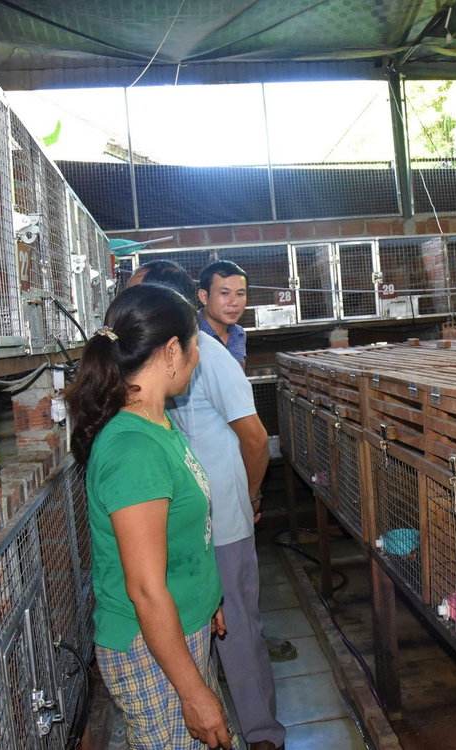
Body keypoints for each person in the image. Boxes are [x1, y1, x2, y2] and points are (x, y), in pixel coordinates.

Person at [65, 284, 241, 750]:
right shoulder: (134, 449)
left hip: (175, 632)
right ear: (171, 351)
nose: (198, 358)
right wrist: (194, 693)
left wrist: (205, 599)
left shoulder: (157, 422)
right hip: (149, 650)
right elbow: (144, 589)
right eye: (196, 346)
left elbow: (180, 533)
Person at [130, 261, 287, 750]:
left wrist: (252, 495)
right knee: (210, 624)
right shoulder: (159, 366)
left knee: (237, 628)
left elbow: (255, 440)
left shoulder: (209, 358)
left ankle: (262, 734)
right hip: (191, 521)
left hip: (222, 519)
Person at [198, 261, 249, 368]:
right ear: (204, 297)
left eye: (240, 294)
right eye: (225, 293)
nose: (234, 302)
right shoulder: (189, 334)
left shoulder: (238, 335)